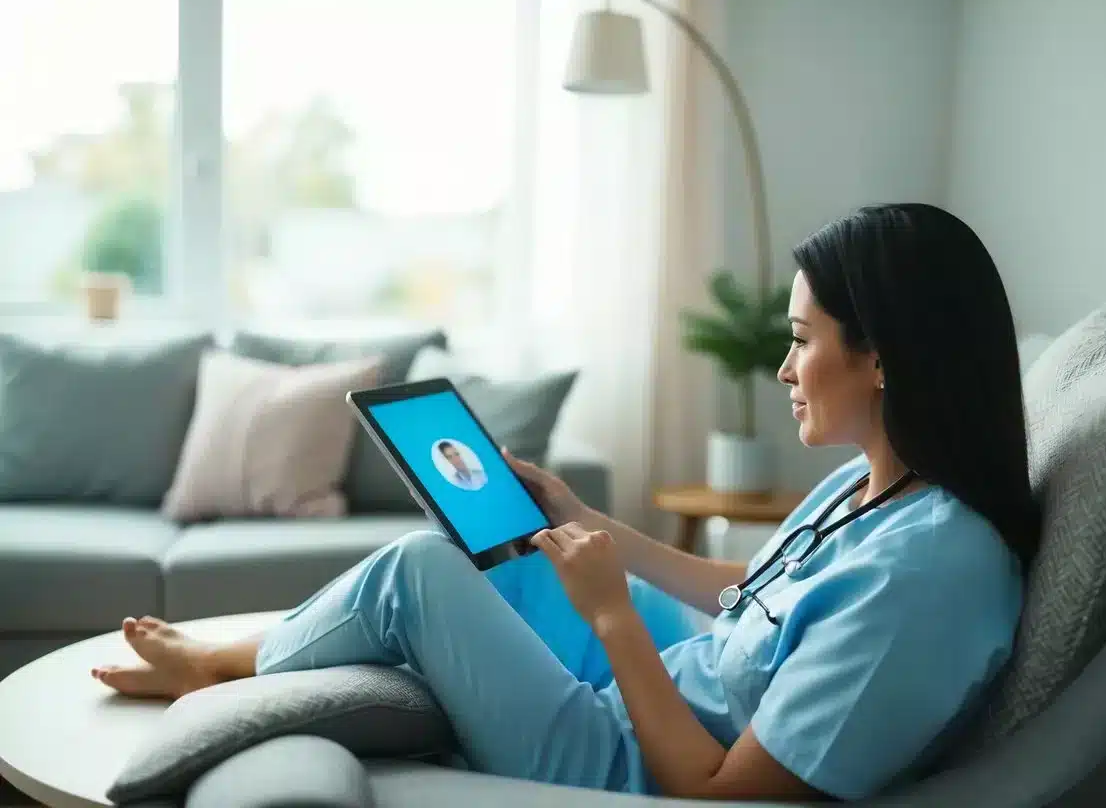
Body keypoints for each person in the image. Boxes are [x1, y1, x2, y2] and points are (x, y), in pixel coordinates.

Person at [91, 204, 1038, 803]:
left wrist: (613, 618)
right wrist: (590, 525)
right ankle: (258, 654)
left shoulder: (930, 576)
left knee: (419, 575)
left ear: (882, 356)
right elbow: (751, 590)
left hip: (629, 759)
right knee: (505, 553)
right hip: (679, 675)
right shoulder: (879, 484)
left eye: (801, 339)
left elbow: (723, 793)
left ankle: (217, 670)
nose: (786, 366)